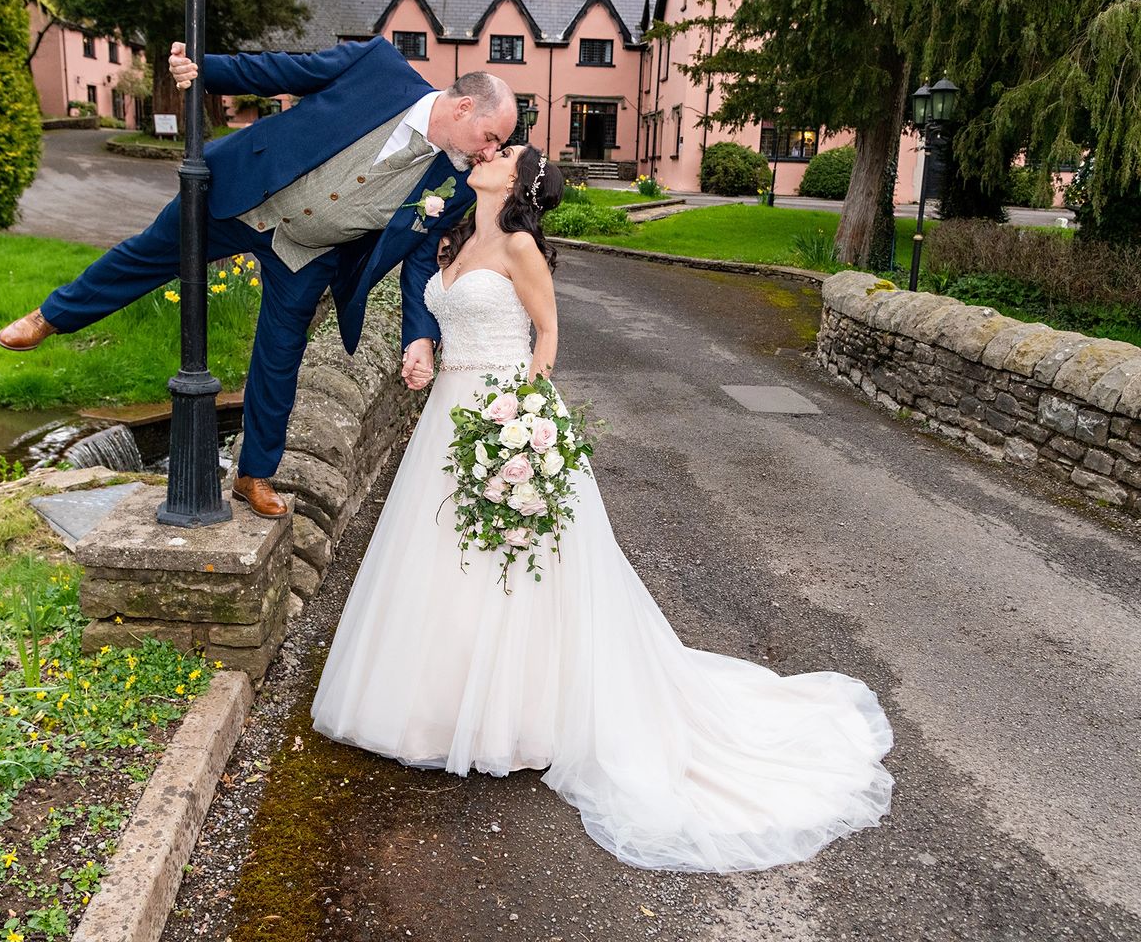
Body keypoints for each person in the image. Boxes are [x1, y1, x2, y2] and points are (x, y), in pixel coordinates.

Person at [311, 143, 894, 873]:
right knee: (440, 555)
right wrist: (423, 347)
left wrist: (518, 419)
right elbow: (442, 312)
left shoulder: (520, 245)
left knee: (511, 561)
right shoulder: (457, 233)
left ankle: (514, 720)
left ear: (520, 183)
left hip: (500, 413)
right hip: (446, 415)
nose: (485, 154)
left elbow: (547, 334)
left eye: (501, 154)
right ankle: (430, 704)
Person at [0, 39, 517, 518]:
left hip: (308, 253)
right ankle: (51, 316)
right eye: (491, 137)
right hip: (245, 193)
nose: (490, 152)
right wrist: (204, 70)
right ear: (464, 106)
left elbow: (421, 263)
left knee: (280, 357)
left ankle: (253, 475)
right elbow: (284, 69)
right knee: (149, 255)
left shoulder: (455, 184)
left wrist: (420, 336)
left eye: (498, 146)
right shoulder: (378, 68)